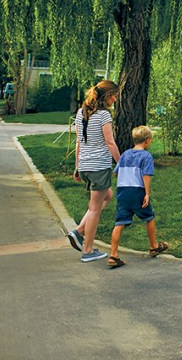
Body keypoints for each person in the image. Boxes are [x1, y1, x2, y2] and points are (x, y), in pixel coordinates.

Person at [68, 80, 121, 262]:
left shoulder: (81, 113)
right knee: (94, 209)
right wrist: (121, 164)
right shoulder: (104, 116)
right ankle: (88, 251)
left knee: (107, 196)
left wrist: (77, 166)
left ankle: (79, 231)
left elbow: (78, 142)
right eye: (113, 95)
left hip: (85, 165)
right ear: (107, 96)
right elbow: (110, 142)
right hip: (98, 166)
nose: (115, 99)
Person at [107, 125, 168, 268]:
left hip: (122, 191)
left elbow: (116, 172)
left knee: (120, 222)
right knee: (149, 217)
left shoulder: (125, 154)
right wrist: (147, 193)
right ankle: (153, 246)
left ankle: (113, 255)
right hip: (137, 191)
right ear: (147, 140)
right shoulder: (146, 156)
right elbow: (146, 176)